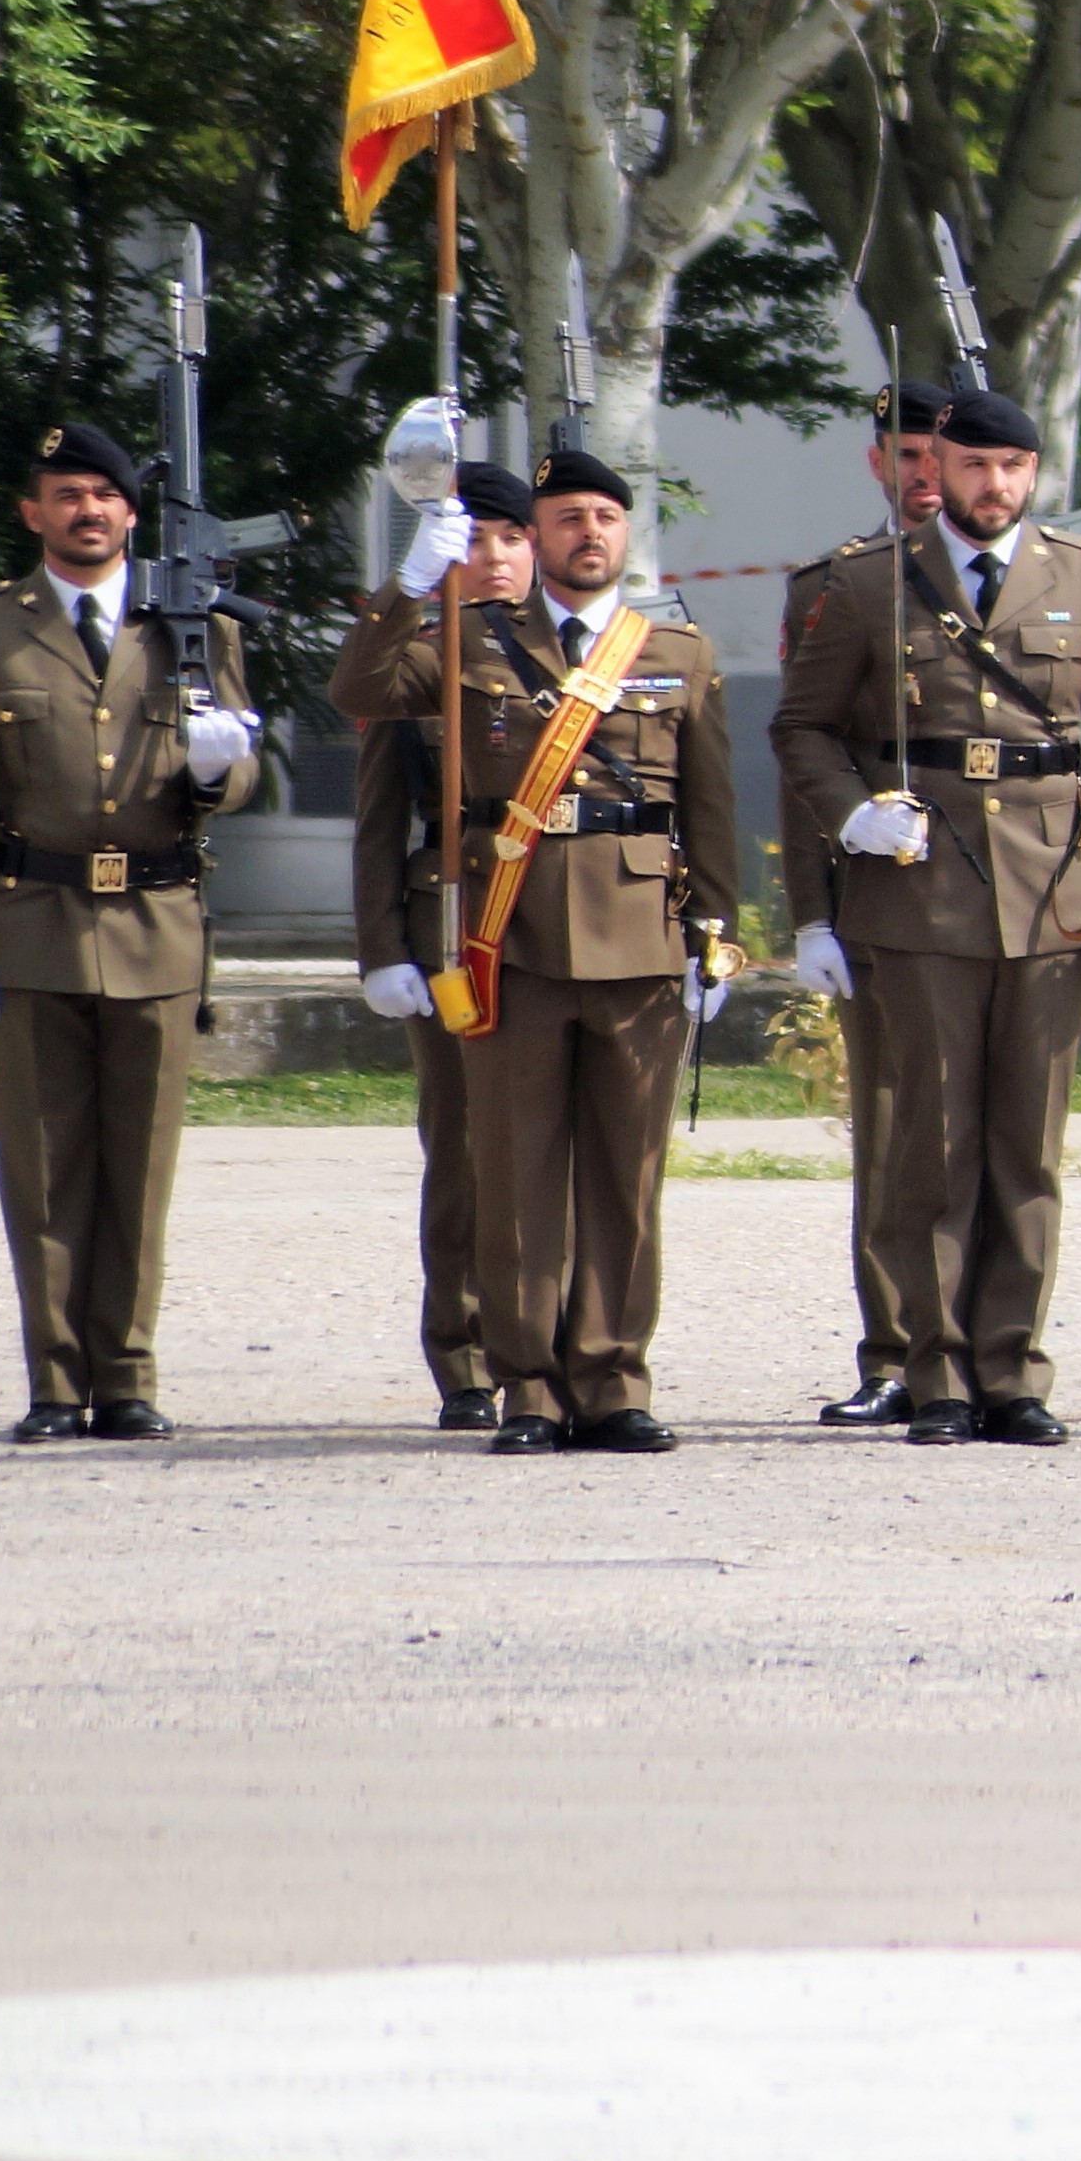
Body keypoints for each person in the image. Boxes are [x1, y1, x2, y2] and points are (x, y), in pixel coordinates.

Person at [769, 381, 1081, 1447]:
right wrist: (851, 818)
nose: (993, 486)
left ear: (1034, 475)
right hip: (921, 888)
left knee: (1026, 1149)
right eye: (973, 466)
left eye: (1012, 469)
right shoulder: (865, 585)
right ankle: (937, 1370)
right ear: (935, 470)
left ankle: (1014, 1369)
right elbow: (802, 727)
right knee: (934, 1147)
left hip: (1052, 893)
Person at [335, 448, 741, 1455]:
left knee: (625, 1172)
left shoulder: (677, 651)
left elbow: (712, 807)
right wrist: (407, 583)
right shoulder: (467, 643)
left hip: (639, 941)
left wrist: (715, 935)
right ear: (541, 537)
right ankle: (527, 1384)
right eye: (566, 517)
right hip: (507, 940)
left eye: (604, 515)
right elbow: (363, 683)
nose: (587, 532)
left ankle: (611, 1376)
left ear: (624, 532)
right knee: (513, 1172)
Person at [0, 419, 264, 1441]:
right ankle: (56, 1382)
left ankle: (129, 1375)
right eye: (65, 494)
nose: (86, 510)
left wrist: (214, 767)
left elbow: (236, 770)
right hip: (30, 920)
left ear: (133, 513)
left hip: (155, 920)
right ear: (34, 513)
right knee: (43, 1164)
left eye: (103, 496)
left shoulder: (192, 625)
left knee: (140, 1165)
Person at [349, 459, 536, 1431]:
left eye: (512, 538)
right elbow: (381, 816)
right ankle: (464, 1354)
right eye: (476, 542)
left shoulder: (585, 659)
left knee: (555, 1147)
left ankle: (546, 1348)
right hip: (454, 931)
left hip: (558, 927)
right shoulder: (419, 657)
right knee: (462, 1146)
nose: (495, 558)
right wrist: (382, 945)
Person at [784, 380, 946, 1425]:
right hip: (883, 887)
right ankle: (892, 1348)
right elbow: (808, 751)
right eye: (909, 454)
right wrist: (810, 912)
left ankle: (985, 1342)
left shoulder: (1051, 576)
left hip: (1009, 889)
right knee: (891, 1126)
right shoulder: (834, 585)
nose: (929, 475)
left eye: (947, 455)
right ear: (878, 463)